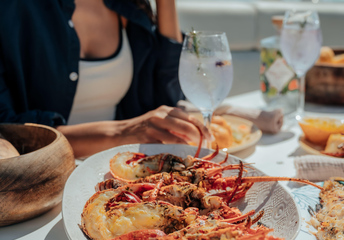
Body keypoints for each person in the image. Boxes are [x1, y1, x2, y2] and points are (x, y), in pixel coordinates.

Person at [0, 0, 212, 158]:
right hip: (43, 182)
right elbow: (6, 128)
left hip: (119, 172)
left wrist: (166, 3)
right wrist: (122, 132)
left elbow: (166, 98)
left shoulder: (128, 7)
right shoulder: (12, 9)